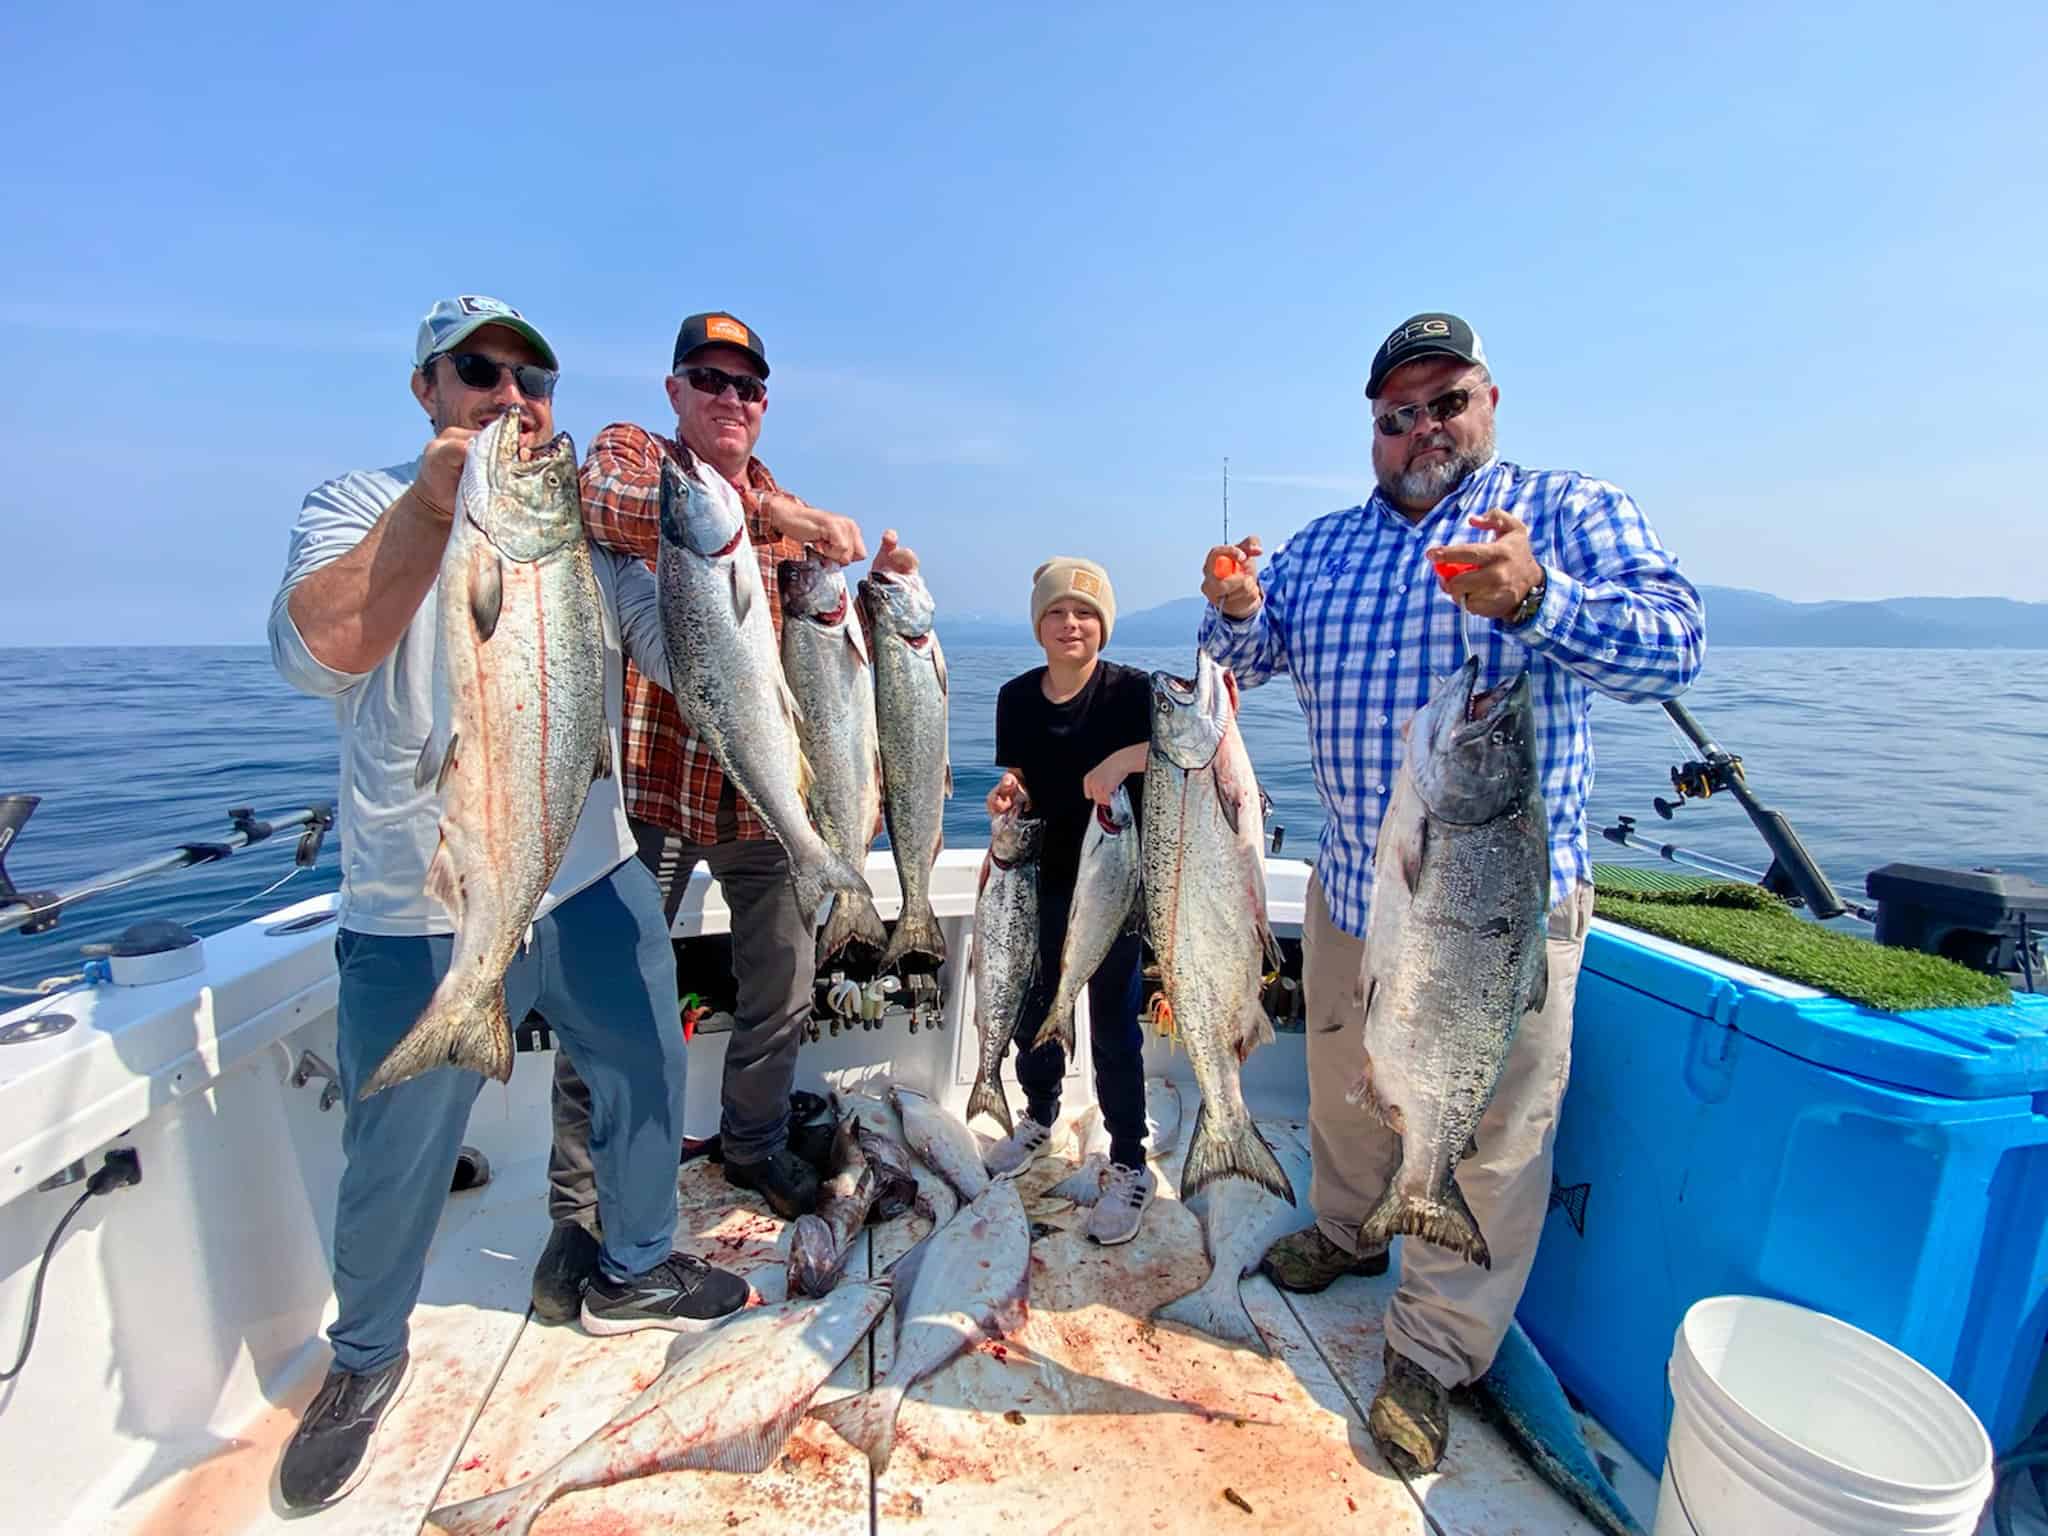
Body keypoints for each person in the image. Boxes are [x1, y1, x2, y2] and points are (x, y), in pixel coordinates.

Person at [266, 296, 751, 1510]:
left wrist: (743, 565)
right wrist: (435, 509)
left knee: (644, 1067)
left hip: (585, 871)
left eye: (532, 378)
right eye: (479, 370)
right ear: (425, 388)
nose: (510, 394)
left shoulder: (569, 530)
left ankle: (635, 1265)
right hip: (421, 898)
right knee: (395, 1144)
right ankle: (365, 1359)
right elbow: (308, 651)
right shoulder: (352, 506)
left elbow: (667, 646)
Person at [1198, 311, 1705, 1472]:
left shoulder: (1569, 512)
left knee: (1487, 1141)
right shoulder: (1323, 546)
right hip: (1352, 892)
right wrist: (1232, 606)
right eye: (1396, 413)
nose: (1422, 427)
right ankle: (1346, 1228)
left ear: (1488, 401)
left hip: (1496, 909)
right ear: (1370, 429)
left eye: (1445, 401)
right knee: (1341, 1088)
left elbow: (1676, 643)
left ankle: (1429, 1352)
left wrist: (1536, 600)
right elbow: (1243, 662)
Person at [533, 311, 922, 1316]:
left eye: (748, 387)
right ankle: (577, 1214)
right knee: (605, 1003)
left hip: (765, 810)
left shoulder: (776, 511)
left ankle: (749, 1146)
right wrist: (783, 517)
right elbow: (601, 505)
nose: (729, 399)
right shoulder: (640, 458)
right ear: (674, 391)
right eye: (709, 379)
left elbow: (828, 673)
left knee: (783, 988)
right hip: (654, 795)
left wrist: (853, 800)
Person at [983, 558, 1155, 1244]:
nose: (1071, 624)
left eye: (1085, 613)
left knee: (1115, 1029)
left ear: (1104, 626)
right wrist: (1008, 794)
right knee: (1034, 1013)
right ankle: (1039, 1117)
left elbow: (1189, 742)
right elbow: (1020, 778)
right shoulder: (1016, 698)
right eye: (1056, 613)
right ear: (1038, 626)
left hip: (1112, 889)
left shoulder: (1134, 692)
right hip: (1038, 883)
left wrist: (1123, 760)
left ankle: (1129, 1162)